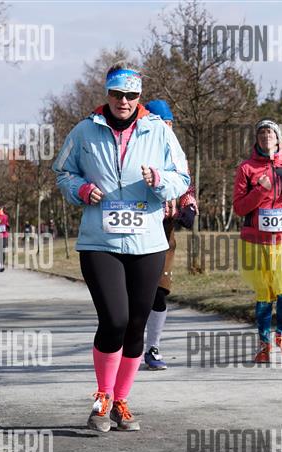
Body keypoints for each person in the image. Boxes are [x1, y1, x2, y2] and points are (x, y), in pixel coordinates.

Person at [53, 61, 190, 432]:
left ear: (139, 96)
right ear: (108, 94)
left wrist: (160, 180)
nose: (124, 101)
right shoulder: (85, 130)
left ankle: (121, 402)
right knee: (114, 319)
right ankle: (102, 399)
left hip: (148, 242)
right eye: (117, 94)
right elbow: (63, 172)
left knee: (136, 325)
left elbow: (182, 177)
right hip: (100, 241)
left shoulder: (158, 131)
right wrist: (81, 190)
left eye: (131, 95)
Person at [232, 119, 282, 363]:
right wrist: (260, 190)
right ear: (256, 139)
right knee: (264, 294)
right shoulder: (246, 168)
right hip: (256, 242)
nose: (266, 136)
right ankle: (264, 345)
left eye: (270, 133)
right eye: (262, 133)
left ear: (278, 138)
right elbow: (239, 207)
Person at [142, 100, 198, 371]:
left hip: (165, 232)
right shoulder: (138, 151)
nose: (165, 128)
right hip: (138, 229)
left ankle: (152, 347)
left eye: (169, 124)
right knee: (134, 294)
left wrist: (189, 207)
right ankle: (126, 345)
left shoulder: (176, 153)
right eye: (159, 123)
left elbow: (186, 184)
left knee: (160, 291)